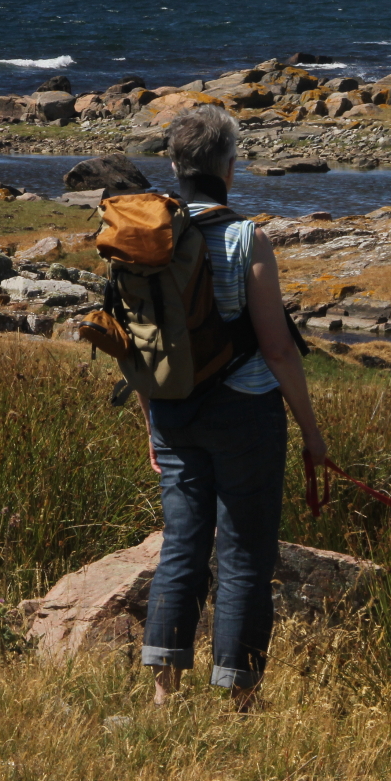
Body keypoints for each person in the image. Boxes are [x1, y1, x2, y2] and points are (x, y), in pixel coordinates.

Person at [140, 105, 327, 711]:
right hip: (246, 412)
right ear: (229, 165)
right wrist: (312, 433)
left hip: (172, 412)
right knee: (244, 551)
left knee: (182, 543)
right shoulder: (247, 237)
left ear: (173, 165)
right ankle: (238, 700)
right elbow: (276, 348)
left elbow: (144, 343)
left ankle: (165, 692)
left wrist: (153, 422)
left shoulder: (148, 237)